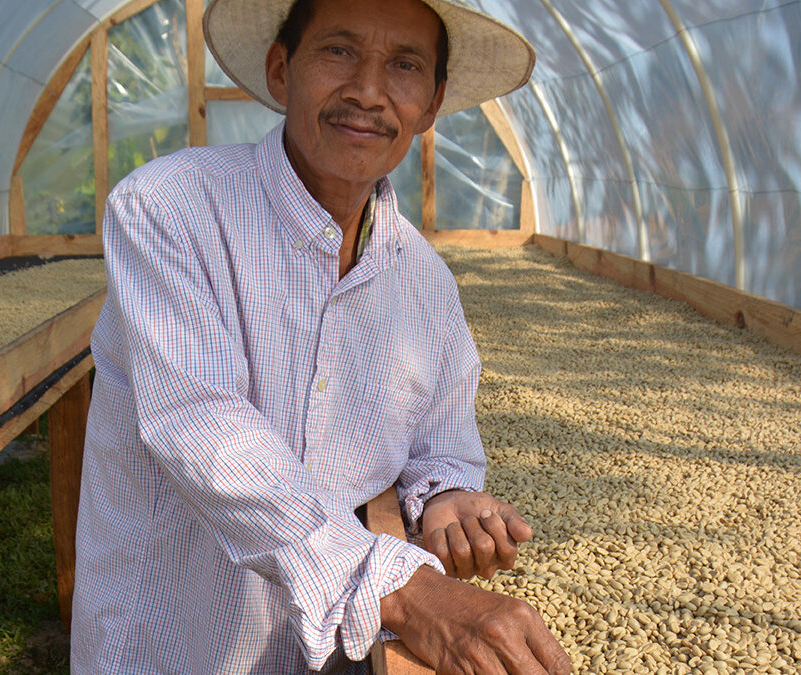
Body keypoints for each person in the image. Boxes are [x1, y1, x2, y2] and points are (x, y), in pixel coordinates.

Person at [72, 0, 571, 672]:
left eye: (405, 65)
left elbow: (441, 449)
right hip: (167, 643)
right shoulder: (170, 211)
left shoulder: (426, 284)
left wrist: (449, 501)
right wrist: (406, 589)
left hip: (325, 651)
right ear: (282, 71)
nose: (368, 91)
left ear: (431, 102)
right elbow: (205, 430)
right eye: (338, 51)